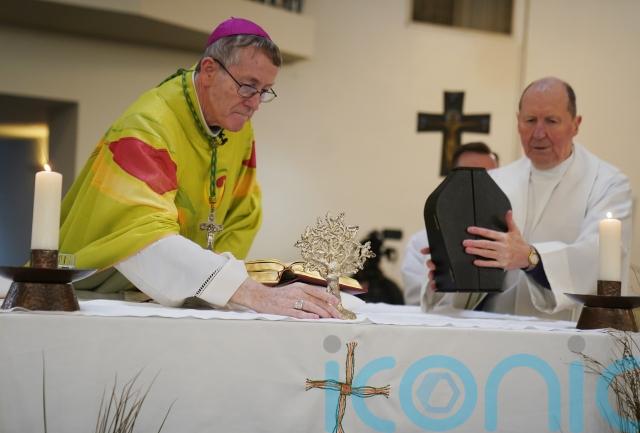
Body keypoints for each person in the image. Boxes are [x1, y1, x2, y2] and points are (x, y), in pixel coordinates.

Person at [34, 18, 342, 319]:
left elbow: (243, 216)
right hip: (94, 295)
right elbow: (140, 234)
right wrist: (250, 293)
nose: (255, 103)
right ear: (209, 70)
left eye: (265, 91)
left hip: (173, 295)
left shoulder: (238, 130)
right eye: (248, 86)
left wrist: (211, 287)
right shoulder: (147, 126)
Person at [417, 77, 633, 320]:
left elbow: (597, 256)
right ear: (518, 122)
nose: (539, 133)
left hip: (565, 332)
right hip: (494, 328)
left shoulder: (608, 184)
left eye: (551, 121)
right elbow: (470, 273)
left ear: (575, 124)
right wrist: (450, 269)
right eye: (530, 120)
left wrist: (531, 257)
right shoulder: (494, 182)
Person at [401, 142, 499, 305]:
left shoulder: (511, 241)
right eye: (468, 175)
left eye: (489, 176)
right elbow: (416, 303)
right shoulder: (421, 243)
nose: (479, 184)